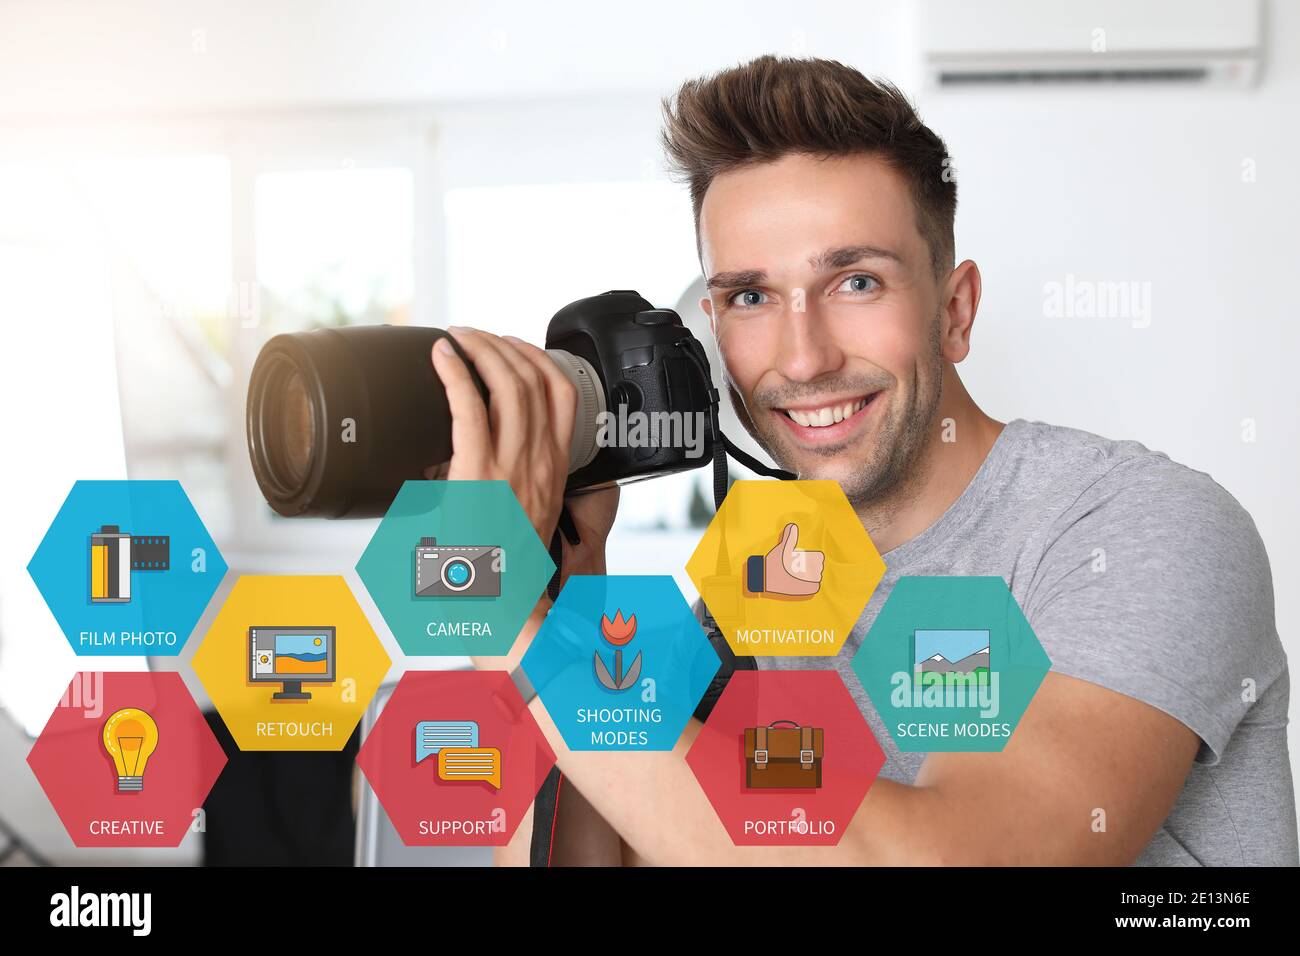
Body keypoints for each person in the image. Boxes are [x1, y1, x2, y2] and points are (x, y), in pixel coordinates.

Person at [427, 55, 1297, 865]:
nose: (801, 360)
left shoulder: (1140, 529)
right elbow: (596, 852)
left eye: (856, 282)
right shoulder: (759, 574)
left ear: (954, 312)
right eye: (752, 296)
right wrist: (566, 591)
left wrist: (512, 631)